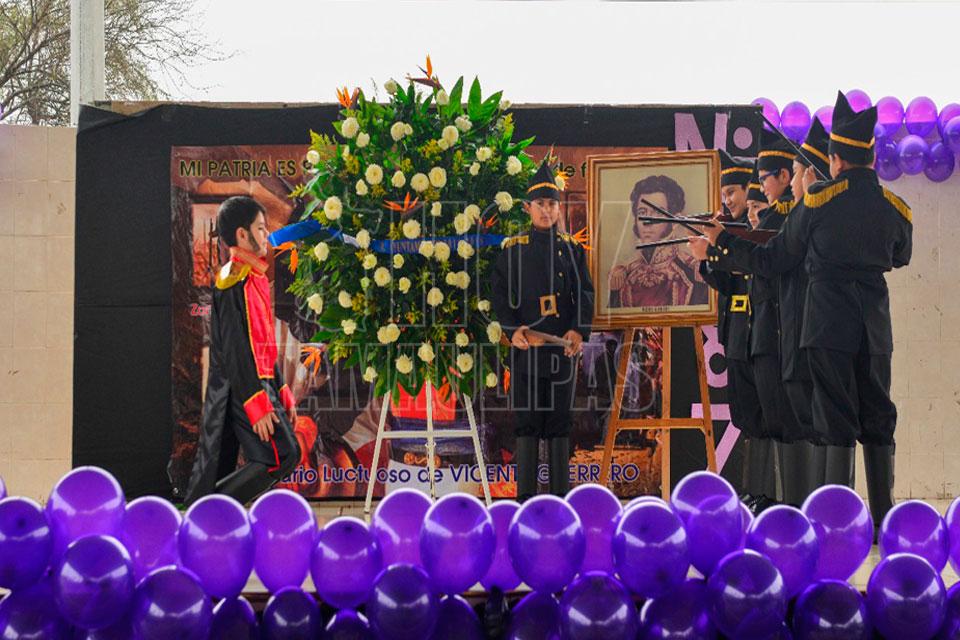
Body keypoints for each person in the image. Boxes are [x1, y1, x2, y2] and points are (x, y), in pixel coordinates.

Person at [691, 91, 912, 526]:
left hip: (828, 326)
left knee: (835, 420)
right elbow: (901, 255)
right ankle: (882, 518)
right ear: (869, 158)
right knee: (878, 416)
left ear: (835, 161)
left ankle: (837, 520)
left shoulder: (817, 203)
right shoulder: (894, 207)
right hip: (875, 326)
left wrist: (721, 242)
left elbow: (772, 260)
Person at [184, 196, 301, 505]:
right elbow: (235, 349)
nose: (266, 235)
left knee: (282, 455)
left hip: (261, 383)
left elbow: (263, 344)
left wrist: (281, 388)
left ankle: (211, 509)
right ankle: (210, 510)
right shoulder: (232, 280)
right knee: (281, 455)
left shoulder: (253, 277)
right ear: (242, 235)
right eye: (260, 228)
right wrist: (254, 400)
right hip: (245, 386)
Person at [491, 161, 595, 501]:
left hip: (561, 350)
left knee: (560, 423)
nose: (546, 210)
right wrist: (512, 330)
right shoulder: (514, 250)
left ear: (558, 208)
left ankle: (561, 503)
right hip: (527, 352)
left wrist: (578, 330)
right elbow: (499, 295)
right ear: (528, 208)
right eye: (540, 204)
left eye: (552, 204)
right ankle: (525, 503)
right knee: (527, 423)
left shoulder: (572, 249)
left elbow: (584, 293)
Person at [698, 152, 773, 508]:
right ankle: (753, 490)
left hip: (761, 332)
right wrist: (707, 259)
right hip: (738, 332)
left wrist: (719, 248)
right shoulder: (729, 232)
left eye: (732, 192)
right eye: (724, 194)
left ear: (749, 189)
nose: (728, 200)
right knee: (743, 415)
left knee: (762, 416)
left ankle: (765, 491)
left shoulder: (753, 234)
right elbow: (727, 285)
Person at [608, 175, 708, 309]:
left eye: (658, 213)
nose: (647, 221)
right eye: (642, 212)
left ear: (675, 221)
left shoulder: (692, 274)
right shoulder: (622, 277)